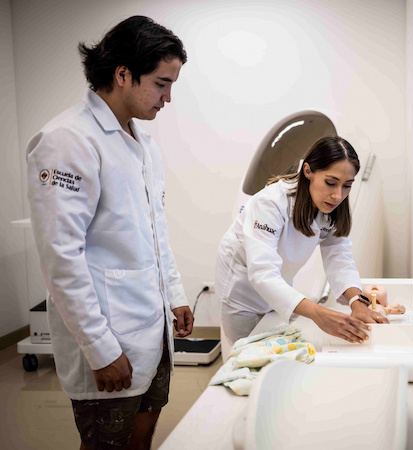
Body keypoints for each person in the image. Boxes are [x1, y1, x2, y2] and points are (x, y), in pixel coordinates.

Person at [27, 16, 193, 449]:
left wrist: (174, 294)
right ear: (123, 74)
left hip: (152, 326)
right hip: (110, 337)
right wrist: (100, 349)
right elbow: (61, 258)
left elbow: (155, 230)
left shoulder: (140, 142)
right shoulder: (69, 140)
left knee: (142, 436)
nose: (168, 98)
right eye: (161, 83)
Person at [215, 135, 388, 351]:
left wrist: (357, 302)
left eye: (347, 186)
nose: (337, 195)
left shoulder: (331, 209)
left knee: (276, 351)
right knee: (248, 356)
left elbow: (339, 257)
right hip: (243, 295)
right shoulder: (270, 204)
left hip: (279, 290)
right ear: (308, 171)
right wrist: (318, 314)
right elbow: (262, 273)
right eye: (331, 183)